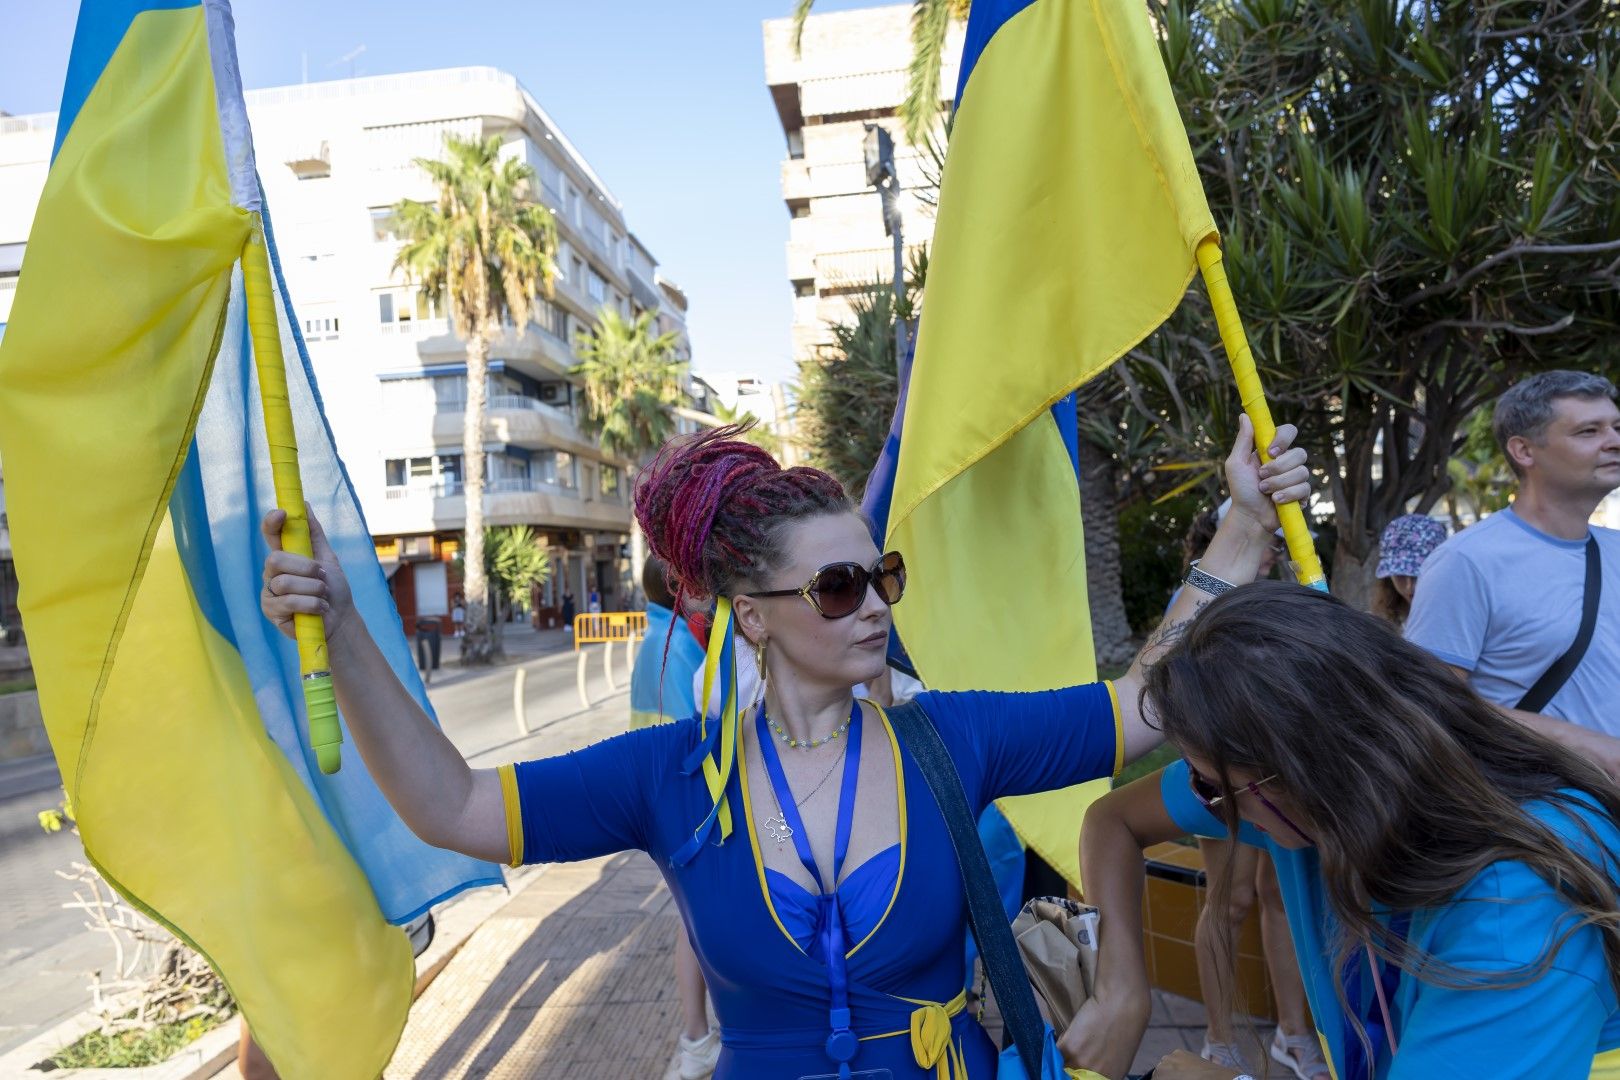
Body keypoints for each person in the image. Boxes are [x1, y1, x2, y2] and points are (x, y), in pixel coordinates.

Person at [257, 418, 1310, 1079]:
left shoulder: (951, 737)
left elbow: (1141, 707)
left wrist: (1240, 531)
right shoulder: (670, 776)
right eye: (836, 587)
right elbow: (454, 806)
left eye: (879, 575)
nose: (872, 607)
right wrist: (346, 632)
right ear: (751, 620)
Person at [1067, 583, 1620, 1080]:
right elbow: (1112, 821)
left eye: (1211, 785)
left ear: (1302, 772)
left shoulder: (1515, 914)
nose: (1209, 803)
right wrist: (1121, 989)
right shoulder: (1327, 800)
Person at [1168, 509, 1323, 1079]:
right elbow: (1169, 693)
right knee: (1228, 900)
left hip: (1281, 780)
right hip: (1222, 778)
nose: (1275, 547)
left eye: (1279, 538)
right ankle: (1220, 1039)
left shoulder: (1281, 596)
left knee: (1283, 896)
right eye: (1267, 535)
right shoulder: (1199, 593)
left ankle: (1293, 1033)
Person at [1405, 370, 1620, 777]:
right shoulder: (1466, 561)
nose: (1614, 441)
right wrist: (1586, 744)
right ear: (1524, 451)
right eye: (1588, 431)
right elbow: (1429, 703)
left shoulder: (1616, 548)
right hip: (1551, 815)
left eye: (1616, 426)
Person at [631, 557, 722, 1078]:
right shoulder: (680, 649)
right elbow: (699, 733)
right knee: (695, 926)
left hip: (671, 807)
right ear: (679, 590)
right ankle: (695, 1040)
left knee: (693, 923)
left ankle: (697, 1038)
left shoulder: (656, 642)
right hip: (690, 809)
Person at [1370, 514, 1448, 627]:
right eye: (1399, 574)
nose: (1409, 586)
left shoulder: (1458, 617)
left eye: (1418, 574)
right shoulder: (1379, 622)